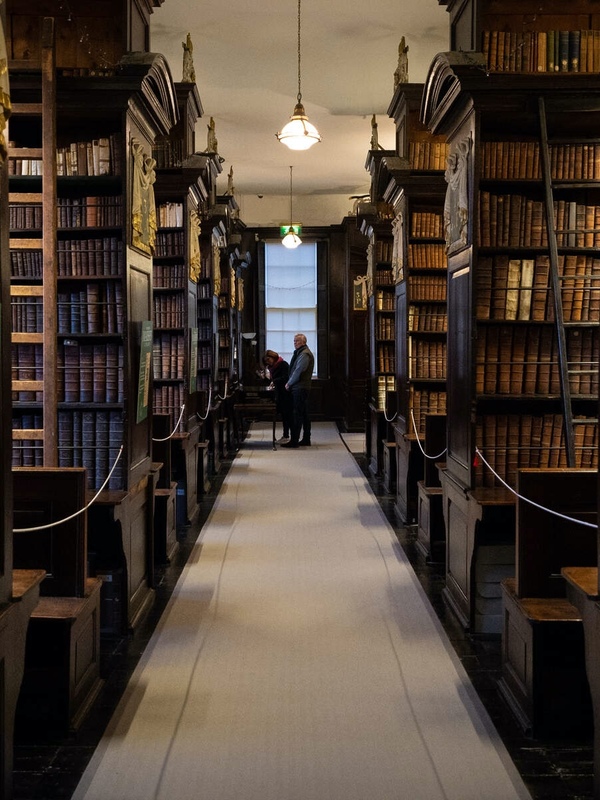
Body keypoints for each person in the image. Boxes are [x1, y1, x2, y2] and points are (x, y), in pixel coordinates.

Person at [281, 333, 314, 448]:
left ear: (303, 342)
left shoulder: (304, 354)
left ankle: (295, 440)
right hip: (300, 387)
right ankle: (305, 439)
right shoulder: (301, 353)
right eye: (294, 341)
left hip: (300, 387)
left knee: (297, 414)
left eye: (297, 341)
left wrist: (289, 383)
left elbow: (299, 371)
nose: (294, 343)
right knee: (303, 414)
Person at [262, 350, 293, 442]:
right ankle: (286, 435)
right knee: (283, 415)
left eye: (269, 359)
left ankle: (288, 435)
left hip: (286, 393)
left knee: (287, 415)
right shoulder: (272, 367)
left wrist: (274, 381)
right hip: (279, 393)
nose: (268, 362)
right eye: (266, 361)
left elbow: (286, 378)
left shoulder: (283, 364)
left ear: (273, 357)